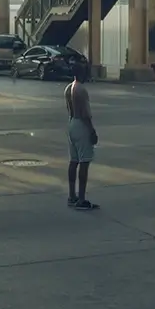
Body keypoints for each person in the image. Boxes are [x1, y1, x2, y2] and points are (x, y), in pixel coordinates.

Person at [64, 70, 98, 210]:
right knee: (84, 162)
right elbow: (85, 113)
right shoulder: (81, 90)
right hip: (81, 125)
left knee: (74, 160)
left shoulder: (69, 88)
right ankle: (82, 198)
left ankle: (72, 195)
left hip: (71, 123)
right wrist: (92, 130)